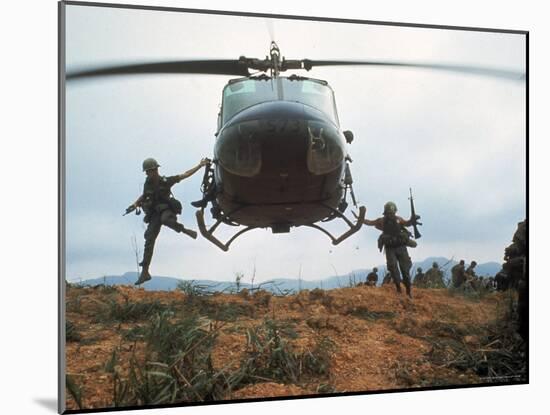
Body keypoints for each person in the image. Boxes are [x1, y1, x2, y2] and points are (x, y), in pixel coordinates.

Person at [130, 157, 210, 285]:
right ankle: (145, 272)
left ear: (156, 170)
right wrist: (135, 204)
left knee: (166, 220)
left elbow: (185, 175)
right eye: (146, 172)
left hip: (166, 210)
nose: (147, 174)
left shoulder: (166, 181)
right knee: (149, 238)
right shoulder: (147, 184)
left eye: (149, 171)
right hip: (154, 214)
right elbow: (145, 196)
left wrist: (199, 166)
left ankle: (185, 230)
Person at [357, 201, 419, 298]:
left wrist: (413, 219)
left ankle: (408, 290)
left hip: (400, 247)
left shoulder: (398, 219)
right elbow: (370, 222)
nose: (391, 214)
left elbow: (407, 223)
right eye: (389, 213)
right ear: (386, 212)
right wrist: (361, 219)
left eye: (392, 213)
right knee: (393, 268)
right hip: (390, 248)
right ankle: (398, 288)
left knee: (405, 270)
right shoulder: (381, 221)